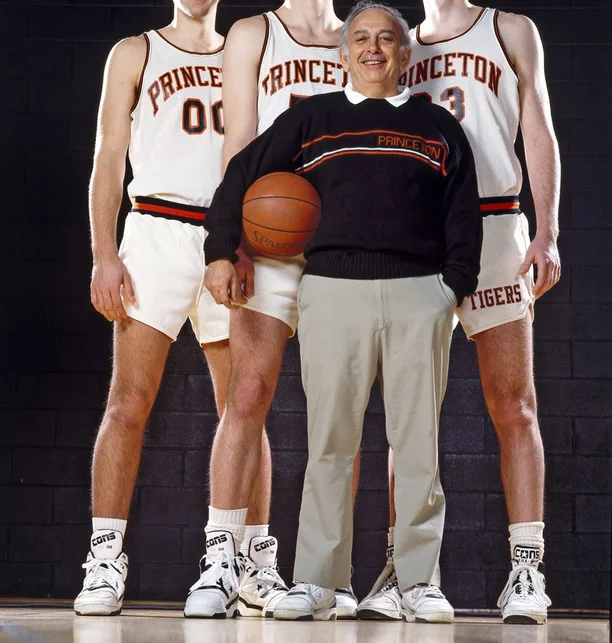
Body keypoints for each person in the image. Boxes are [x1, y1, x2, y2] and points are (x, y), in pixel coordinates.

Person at [202, 1, 483, 622]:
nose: (374, 48)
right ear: (344, 53)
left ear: (407, 54)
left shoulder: (439, 126)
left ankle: (417, 582)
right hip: (330, 290)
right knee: (329, 443)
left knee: (418, 448)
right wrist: (221, 249)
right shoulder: (313, 119)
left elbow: (464, 211)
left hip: (420, 295)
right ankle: (318, 583)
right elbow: (240, 176)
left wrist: (451, 291)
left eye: (387, 39)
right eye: (361, 38)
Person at [358, 0, 560, 626]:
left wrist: (547, 231)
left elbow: (538, 129)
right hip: (421, 237)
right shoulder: (399, 45)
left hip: (497, 224)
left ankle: (527, 569)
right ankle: (408, 571)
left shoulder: (509, 29)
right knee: (410, 418)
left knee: (513, 404)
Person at [73, 0, 271, 618]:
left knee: (243, 406)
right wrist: (105, 253)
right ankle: (105, 558)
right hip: (155, 229)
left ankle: (249, 560)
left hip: (226, 237)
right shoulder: (135, 51)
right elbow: (108, 159)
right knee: (127, 401)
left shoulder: (246, 49)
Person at [185, 0, 359, 620]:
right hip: (269, 240)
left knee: (338, 410)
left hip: (343, 244)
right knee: (248, 391)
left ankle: (327, 571)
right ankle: (220, 559)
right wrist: (231, 241)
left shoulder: (361, 39)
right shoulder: (254, 32)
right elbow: (238, 145)